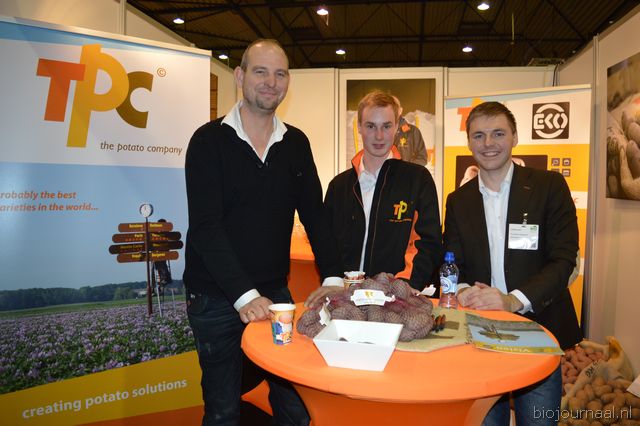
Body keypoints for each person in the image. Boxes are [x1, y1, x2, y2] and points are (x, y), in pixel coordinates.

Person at [183, 39, 342, 426]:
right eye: (261, 71)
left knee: (294, 406)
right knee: (223, 409)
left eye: (280, 73)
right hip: (215, 296)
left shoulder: (295, 143)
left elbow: (315, 215)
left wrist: (333, 278)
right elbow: (206, 228)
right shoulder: (207, 141)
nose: (271, 82)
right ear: (239, 76)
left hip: (275, 294)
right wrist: (245, 295)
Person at [442, 101, 582, 425]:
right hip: (480, 333)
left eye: (498, 133)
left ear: (515, 137)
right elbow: (452, 261)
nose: (488, 143)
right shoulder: (458, 200)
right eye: (478, 135)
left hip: (538, 330)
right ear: (468, 142)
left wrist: (512, 300)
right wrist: (463, 291)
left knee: (538, 421)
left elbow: (563, 260)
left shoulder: (548, 187)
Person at [306, 91, 442, 306]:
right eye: (371, 126)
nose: (379, 136)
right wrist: (333, 279)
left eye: (386, 126)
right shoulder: (339, 186)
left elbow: (428, 242)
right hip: (346, 299)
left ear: (397, 127)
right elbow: (326, 243)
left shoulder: (417, 180)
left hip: (396, 299)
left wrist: (406, 285)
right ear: (359, 127)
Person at [393, 97, 428, 166]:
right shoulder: (378, 131)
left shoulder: (413, 132)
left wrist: (406, 168)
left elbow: (422, 159)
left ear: (400, 110)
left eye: (394, 107)